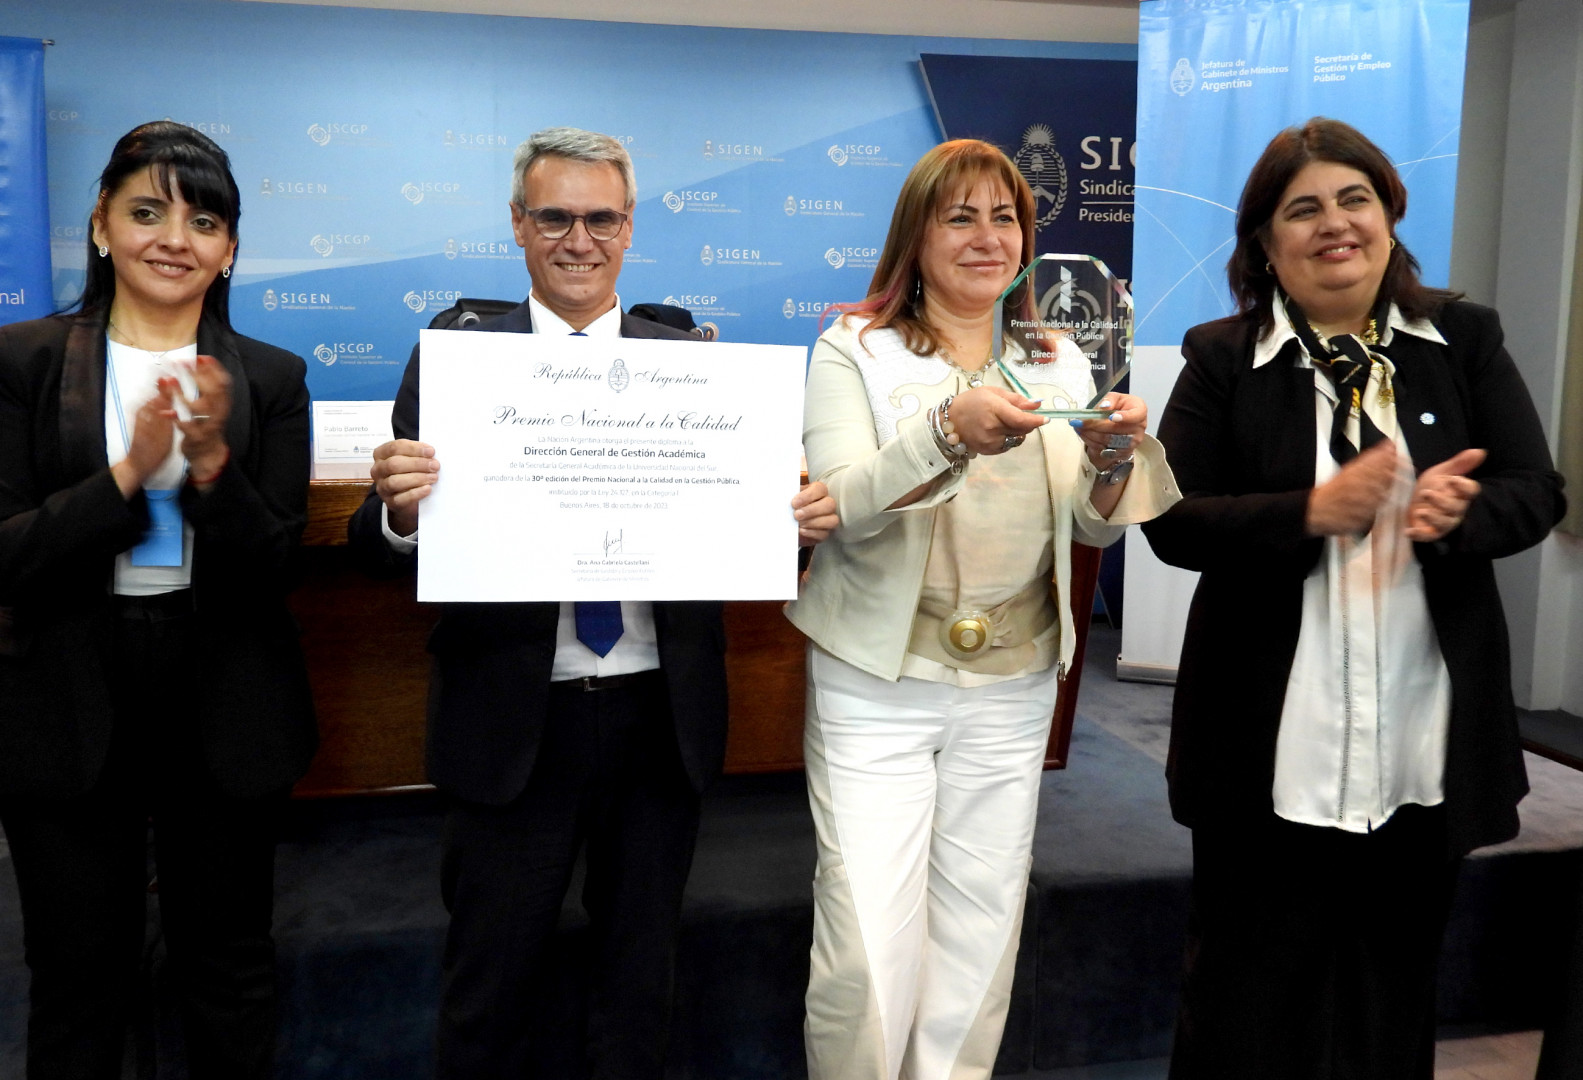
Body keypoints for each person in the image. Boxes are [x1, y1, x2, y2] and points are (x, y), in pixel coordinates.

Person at [347, 126, 836, 1080]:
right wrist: (401, 515)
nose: (580, 238)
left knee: (637, 981)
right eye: (556, 217)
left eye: (600, 217)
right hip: (511, 725)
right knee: (490, 985)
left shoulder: (692, 361)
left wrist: (792, 522)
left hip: (663, 715)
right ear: (518, 226)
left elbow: (739, 533)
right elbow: (378, 550)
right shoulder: (454, 362)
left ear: (630, 226)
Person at [1140, 117, 1568, 1080]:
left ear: (1388, 214)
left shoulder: (1461, 338)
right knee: (1245, 996)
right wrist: (1309, 511)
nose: (1334, 224)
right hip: (1270, 744)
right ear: (1264, 242)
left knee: (1390, 990)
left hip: (1418, 734)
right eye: (1303, 208)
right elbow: (1172, 521)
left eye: (1354, 198)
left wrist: (1458, 512)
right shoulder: (1218, 356)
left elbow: (1535, 492)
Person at [784, 138, 1178, 1080]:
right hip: (876, 681)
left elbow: (1091, 529)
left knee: (980, 926)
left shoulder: (1055, 359)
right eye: (958, 216)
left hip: (1014, 680)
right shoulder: (853, 350)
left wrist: (1118, 459)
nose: (985, 237)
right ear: (914, 234)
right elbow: (839, 503)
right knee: (865, 936)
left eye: (1004, 218)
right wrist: (942, 432)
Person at [0, 121, 317, 1078]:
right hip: (64, 693)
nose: (173, 238)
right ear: (101, 226)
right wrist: (132, 472)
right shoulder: (21, 361)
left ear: (228, 251)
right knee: (77, 971)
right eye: (146, 211)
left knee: (226, 964)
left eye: (204, 220)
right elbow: (7, 554)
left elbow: (274, 570)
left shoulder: (269, 377)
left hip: (221, 693)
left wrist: (213, 467)